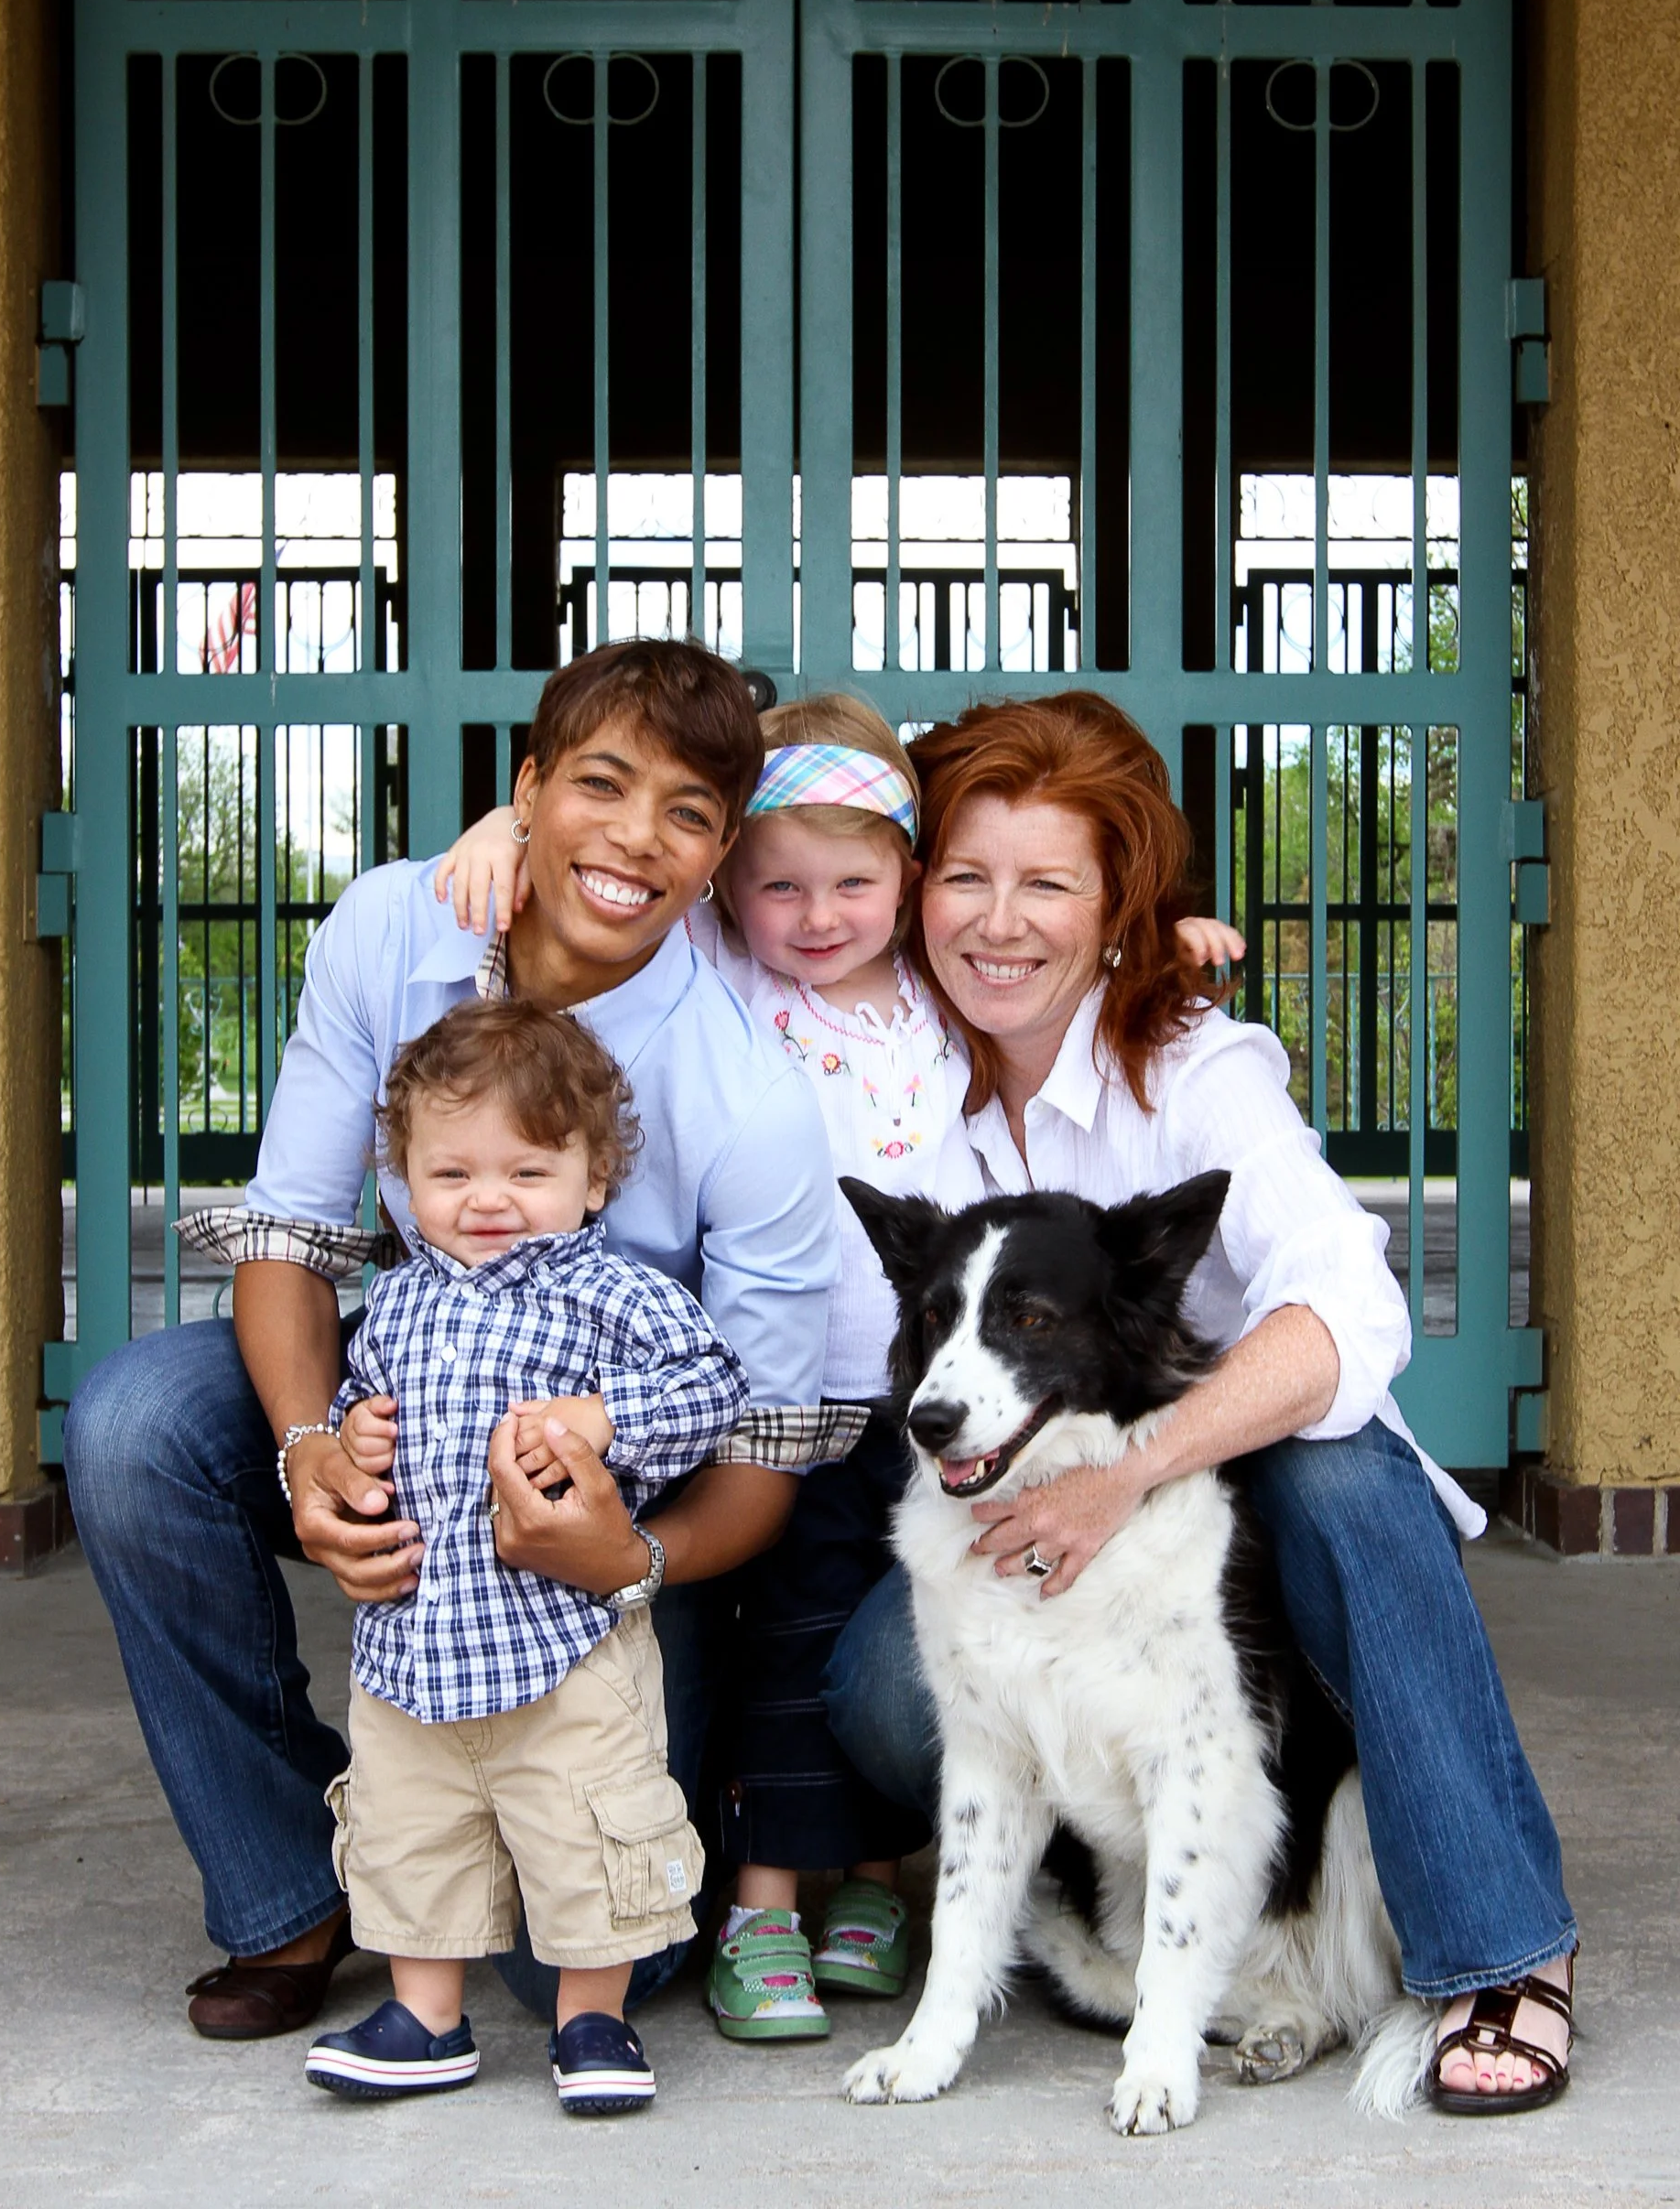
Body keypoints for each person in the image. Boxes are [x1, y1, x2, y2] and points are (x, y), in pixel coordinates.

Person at [62, 639, 840, 2041]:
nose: (632, 839)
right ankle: (289, 1891)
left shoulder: (749, 1095)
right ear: (528, 791)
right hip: (413, 1369)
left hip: (628, 1474)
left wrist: (633, 1560)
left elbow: (765, 1444)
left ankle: (690, 1774)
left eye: (686, 814)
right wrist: (309, 1451)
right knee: (135, 1428)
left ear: (720, 854)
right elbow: (295, 1240)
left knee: (578, 1975)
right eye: (601, 785)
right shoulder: (389, 930)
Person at [438, 692, 1241, 2049]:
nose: (817, 916)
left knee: (897, 1648)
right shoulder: (724, 973)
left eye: (856, 884)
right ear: (731, 891)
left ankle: (870, 1890)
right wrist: (506, 826)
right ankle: (760, 1903)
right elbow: (624, 880)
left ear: (909, 884)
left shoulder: (933, 982)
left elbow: (1040, 941)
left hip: (913, 1408)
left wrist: (1172, 932)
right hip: (753, 1404)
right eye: (780, 887)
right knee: (787, 1645)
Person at [818, 689, 1576, 2117]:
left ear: (1120, 911)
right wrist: (502, 840)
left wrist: (1128, 1475)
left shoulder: (1195, 1064)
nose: (999, 922)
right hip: (1022, 1505)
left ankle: (1503, 1950)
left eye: (1050, 885)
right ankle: (1140, 1921)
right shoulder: (897, 1054)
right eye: (968, 878)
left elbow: (1351, 1311)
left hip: (1229, 1520)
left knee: (1340, 1471)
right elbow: (733, 906)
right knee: (880, 1693)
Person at [302, 998, 747, 2111]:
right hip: (413, 1637)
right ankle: (426, 2015)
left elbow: (713, 1387)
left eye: (528, 1172)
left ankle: (592, 2021)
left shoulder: (610, 1293)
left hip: (565, 1639)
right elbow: (360, 1402)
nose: (490, 1201)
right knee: (413, 1831)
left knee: (587, 1828)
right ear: (402, 1183)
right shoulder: (394, 1300)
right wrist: (354, 1432)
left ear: (594, 1177)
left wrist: (605, 1420)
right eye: (451, 1177)